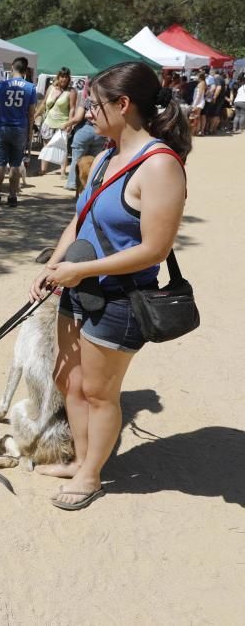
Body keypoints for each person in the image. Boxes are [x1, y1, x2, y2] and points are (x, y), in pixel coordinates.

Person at [29, 61, 191, 510]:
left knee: (99, 393)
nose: (86, 111)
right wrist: (54, 265)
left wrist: (81, 270)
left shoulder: (159, 167)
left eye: (94, 104)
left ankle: (91, 475)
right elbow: (80, 220)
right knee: (70, 382)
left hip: (119, 300)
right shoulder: (104, 155)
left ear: (124, 105)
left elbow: (155, 250)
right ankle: (81, 460)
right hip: (78, 287)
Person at [0, 57, 37, 207]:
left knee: (0, 163)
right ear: (25, 70)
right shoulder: (30, 87)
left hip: (2, 127)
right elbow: (31, 114)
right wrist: (30, 132)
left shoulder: (1, 85)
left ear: (12, 68)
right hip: (20, 128)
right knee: (16, 164)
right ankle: (12, 196)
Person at [38, 67, 77, 175]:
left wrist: (70, 123)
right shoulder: (51, 88)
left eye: (65, 77)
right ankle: (43, 170)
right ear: (58, 77)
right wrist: (34, 116)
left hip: (62, 123)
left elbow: (72, 108)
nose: (63, 79)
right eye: (62, 77)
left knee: (62, 147)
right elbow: (44, 103)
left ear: (69, 78)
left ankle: (63, 171)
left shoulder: (72, 91)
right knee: (46, 146)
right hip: (48, 121)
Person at [62, 97, 107, 192]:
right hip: (100, 133)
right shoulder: (105, 100)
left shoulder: (88, 100)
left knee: (77, 160)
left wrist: (65, 124)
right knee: (94, 162)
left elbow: (77, 118)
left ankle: (72, 183)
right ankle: (91, 185)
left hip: (85, 131)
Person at [190, 70, 207, 135]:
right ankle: (197, 131)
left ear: (199, 76)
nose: (196, 77)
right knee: (197, 116)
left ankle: (196, 131)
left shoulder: (202, 83)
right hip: (198, 102)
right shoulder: (202, 83)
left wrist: (195, 104)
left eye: (197, 76)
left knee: (196, 116)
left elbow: (199, 95)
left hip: (198, 102)